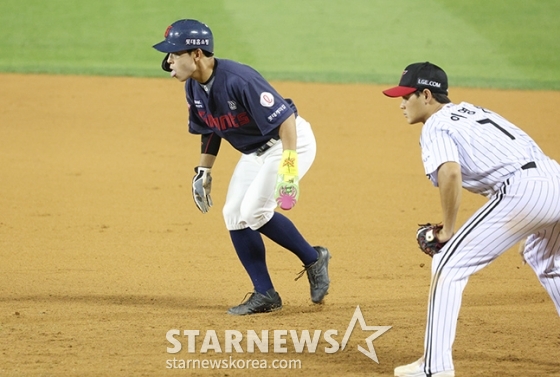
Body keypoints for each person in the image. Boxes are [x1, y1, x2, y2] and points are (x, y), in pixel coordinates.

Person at [382, 62, 560, 376]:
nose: (400, 103)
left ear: (426, 95)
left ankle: (433, 369)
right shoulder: (473, 111)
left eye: (405, 96)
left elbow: (450, 172)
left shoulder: (436, 124)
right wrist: (534, 218)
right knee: (546, 259)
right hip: (553, 179)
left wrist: (448, 232)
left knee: (447, 263)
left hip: (525, 190)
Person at [152, 19, 331, 316]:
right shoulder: (194, 88)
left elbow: (285, 120)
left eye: (174, 53)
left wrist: (289, 169)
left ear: (197, 54)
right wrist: (203, 170)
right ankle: (265, 293)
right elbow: (210, 128)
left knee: (255, 213)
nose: (168, 61)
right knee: (234, 214)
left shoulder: (239, 79)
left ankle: (314, 259)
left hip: (288, 143)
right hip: (254, 152)